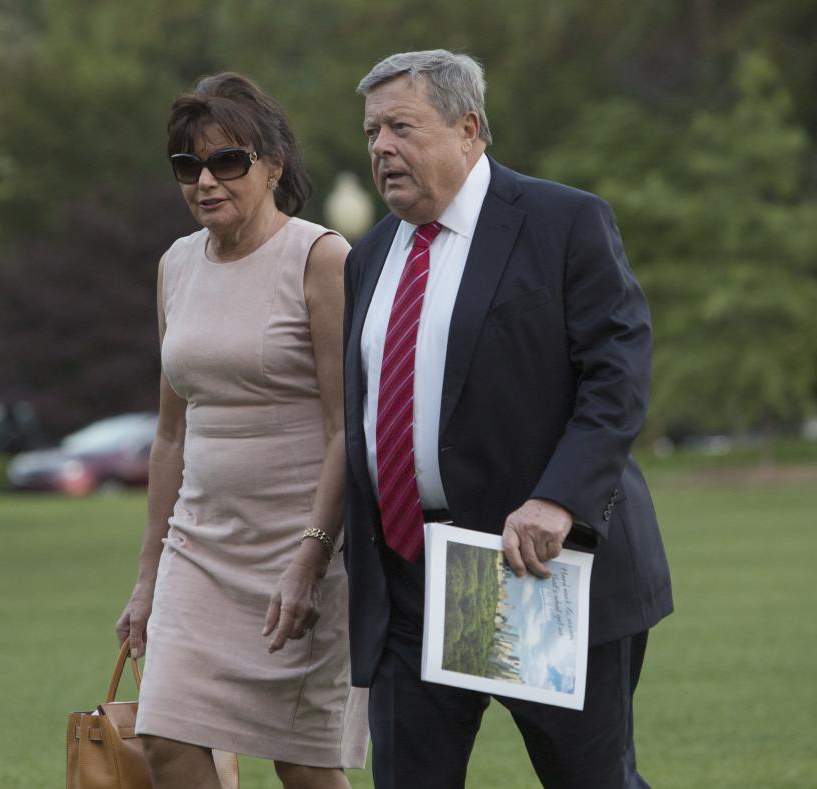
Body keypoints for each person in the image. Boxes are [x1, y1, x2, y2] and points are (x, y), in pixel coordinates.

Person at [342, 50, 673, 788]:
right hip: (407, 577)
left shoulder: (563, 222)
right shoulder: (367, 258)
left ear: (469, 130)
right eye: (371, 132)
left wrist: (560, 497)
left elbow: (616, 379)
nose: (380, 148)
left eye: (402, 127)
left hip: (533, 567)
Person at [116, 72, 368, 789]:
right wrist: (147, 576)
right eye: (187, 166)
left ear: (273, 166)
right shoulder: (176, 265)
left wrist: (312, 556)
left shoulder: (320, 258)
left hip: (304, 548)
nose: (206, 181)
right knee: (166, 738)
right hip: (201, 548)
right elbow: (170, 437)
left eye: (228, 161)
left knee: (304, 767)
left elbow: (344, 426)